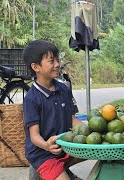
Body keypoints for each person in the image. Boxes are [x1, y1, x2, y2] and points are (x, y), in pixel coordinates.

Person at [22, 40, 85, 180]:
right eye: (51, 61)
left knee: (97, 153)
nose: (57, 65)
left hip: (65, 148)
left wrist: (92, 132)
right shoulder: (32, 99)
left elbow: (72, 119)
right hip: (43, 154)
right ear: (36, 67)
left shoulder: (64, 88)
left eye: (57, 60)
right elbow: (34, 136)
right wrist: (46, 145)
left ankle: (63, 172)